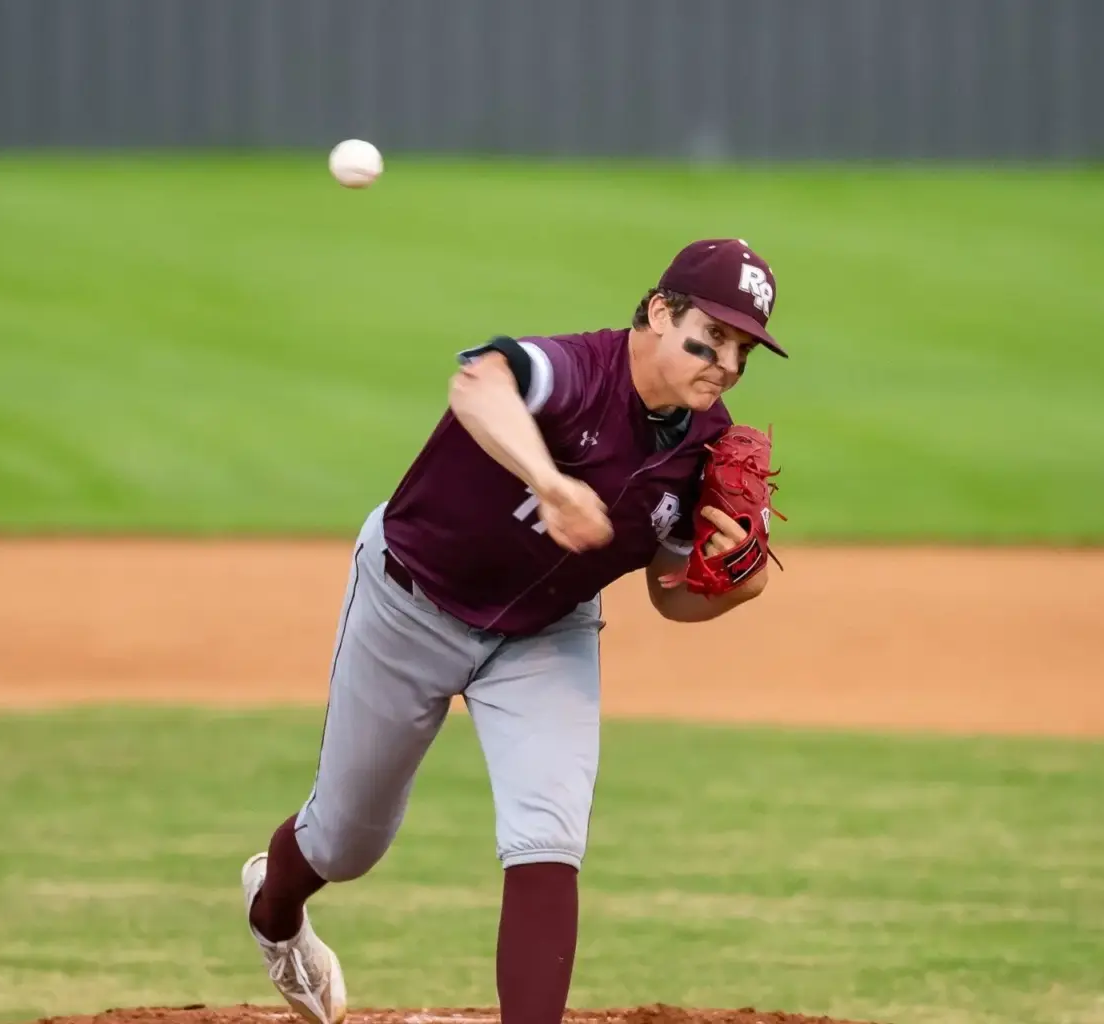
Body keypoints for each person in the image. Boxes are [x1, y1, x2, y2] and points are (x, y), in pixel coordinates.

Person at [239, 238, 790, 1024]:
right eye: (715, 336)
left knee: (548, 835)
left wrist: (739, 586)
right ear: (661, 312)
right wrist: (550, 481)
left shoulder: (708, 445)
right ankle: (275, 909)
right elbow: (479, 383)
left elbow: (672, 598)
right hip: (410, 603)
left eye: (745, 349)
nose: (727, 364)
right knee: (347, 843)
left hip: (546, 634)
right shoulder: (578, 370)